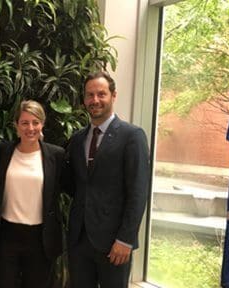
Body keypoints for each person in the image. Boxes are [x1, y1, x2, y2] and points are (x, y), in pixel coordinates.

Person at [64, 71, 150, 288]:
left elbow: (138, 192)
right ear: (84, 99)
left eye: (101, 94)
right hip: (79, 240)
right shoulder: (77, 139)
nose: (95, 100)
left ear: (113, 95)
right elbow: (74, 186)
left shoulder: (132, 136)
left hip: (114, 242)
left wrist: (126, 239)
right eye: (89, 95)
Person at [0, 100, 64, 288]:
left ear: (42, 124)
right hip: (7, 235)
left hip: (41, 238)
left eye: (35, 122)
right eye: (24, 122)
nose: (30, 128)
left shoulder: (56, 156)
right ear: (16, 125)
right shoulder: (3, 151)